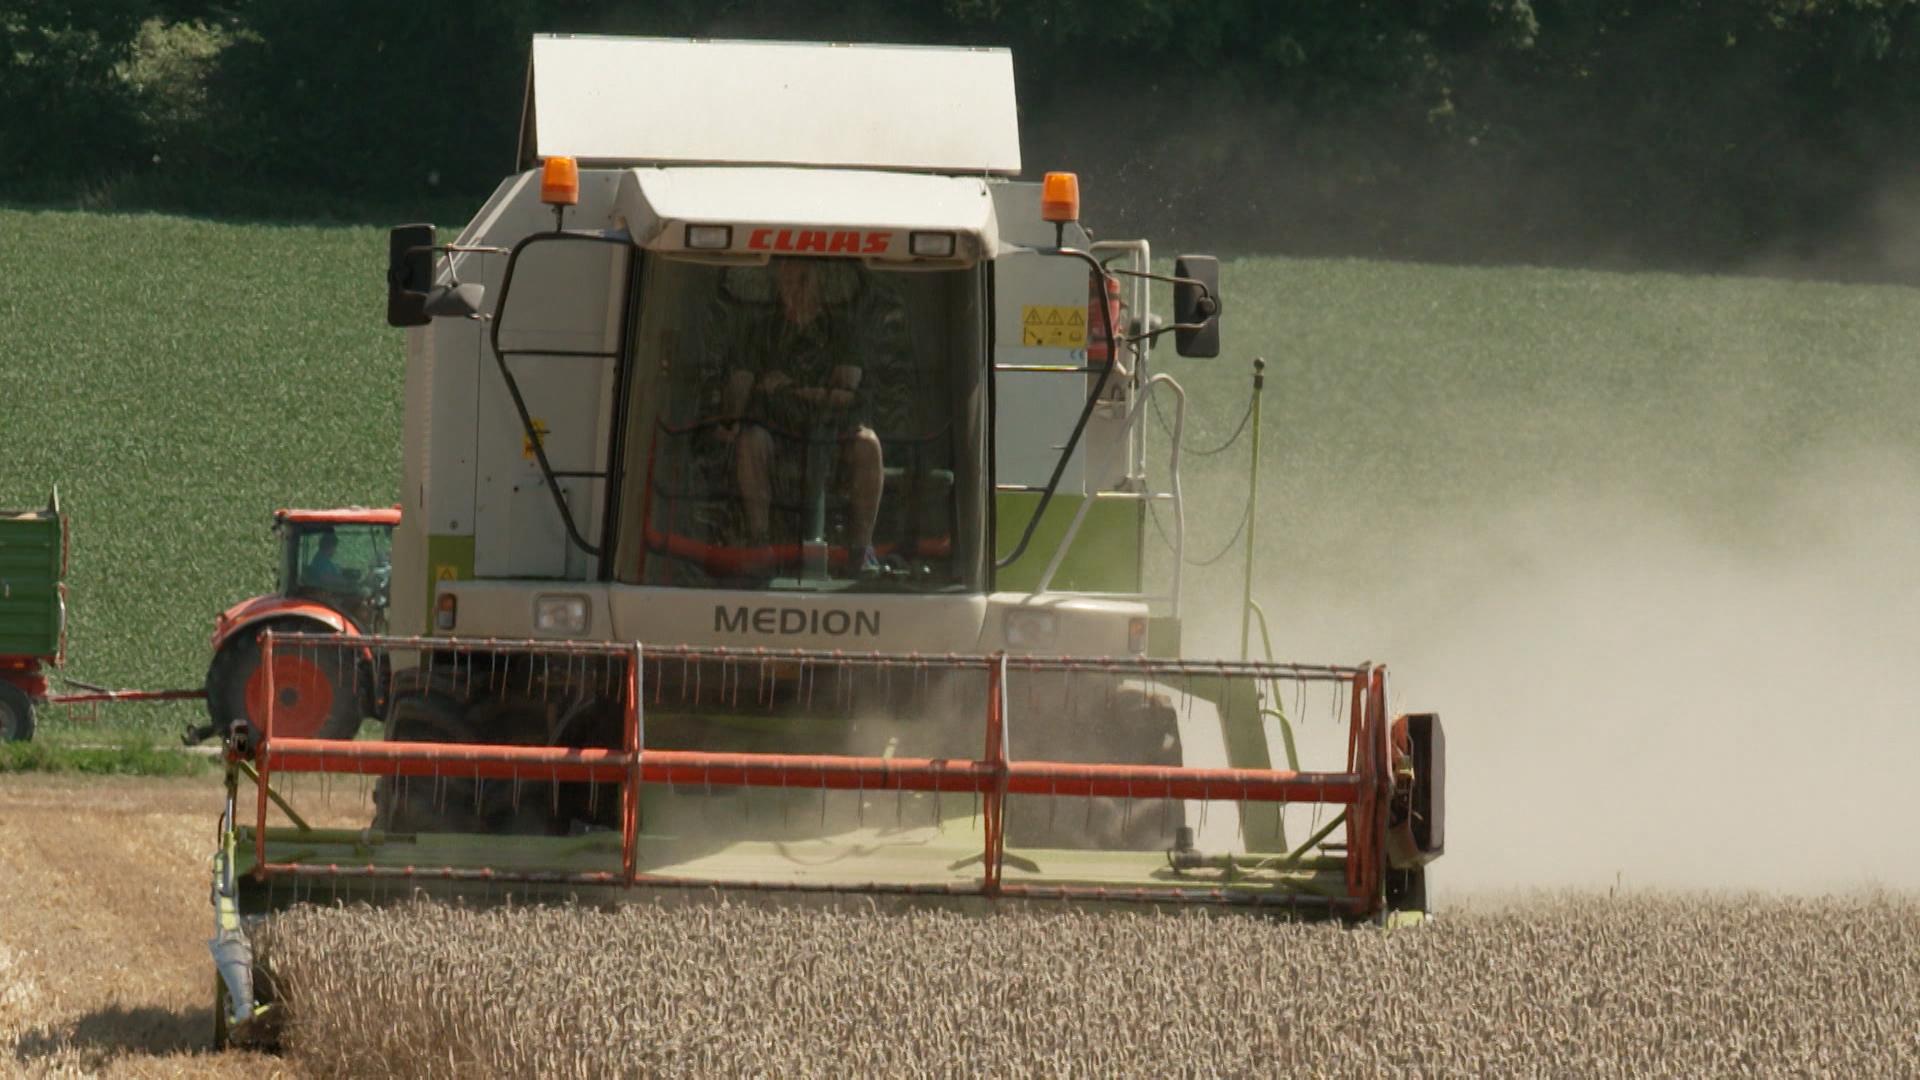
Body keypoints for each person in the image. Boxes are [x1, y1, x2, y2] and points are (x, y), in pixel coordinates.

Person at [711, 258, 906, 573]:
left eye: (800, 281)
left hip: (835, 438)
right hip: (777, 436)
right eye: (785, 282)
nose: (792, 290)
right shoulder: (761, 332)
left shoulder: (843, 331)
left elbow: (846, 392)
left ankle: (861, 551)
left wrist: (788, 388)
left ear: (818, 284)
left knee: (868, 445)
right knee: (750, 440)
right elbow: (741, 383)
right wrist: (730, 418)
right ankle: (759, 545)